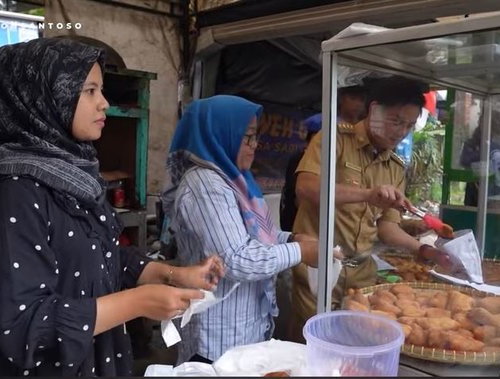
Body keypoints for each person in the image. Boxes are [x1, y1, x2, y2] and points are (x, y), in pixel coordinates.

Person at [0, 38, 225, 377]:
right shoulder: (13, 192)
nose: (104, 104)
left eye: (102, 91)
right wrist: (139, 302)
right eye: (90, 91)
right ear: (45, 98)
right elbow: (25, 328)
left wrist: (173, 274)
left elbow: (100, 256)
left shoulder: (73, 175)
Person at [162, 95, 336, 364]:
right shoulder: (205, 184)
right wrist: (300, 251)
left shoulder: (237, 180)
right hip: (218, 334)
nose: (255, 145)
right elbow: (237, 259)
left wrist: (289, 237)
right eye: (248, 138)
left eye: (256, 137)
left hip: (247, 326)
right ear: (221, 135)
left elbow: (255, 237)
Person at [288, 76, 454, 343]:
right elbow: (305, 188)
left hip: (362, 277)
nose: (401, 132)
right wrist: (367, 194)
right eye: (396, 121)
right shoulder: (334, 140)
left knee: (356, 349)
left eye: (409, 126)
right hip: (319, 270)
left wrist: (422, 249)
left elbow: (387, 228)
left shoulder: (395, 166)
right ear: (375, 110)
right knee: (312, 348)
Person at [279, 83, 369, 232]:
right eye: (354, 97)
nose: (359, 103)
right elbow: (300, 199)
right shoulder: (301, 158)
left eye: (362, 99)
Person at [459, 110, 500, 206]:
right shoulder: (472, 144)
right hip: (475, 194)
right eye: (482, 122)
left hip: (497, 198)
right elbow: (464, 161)